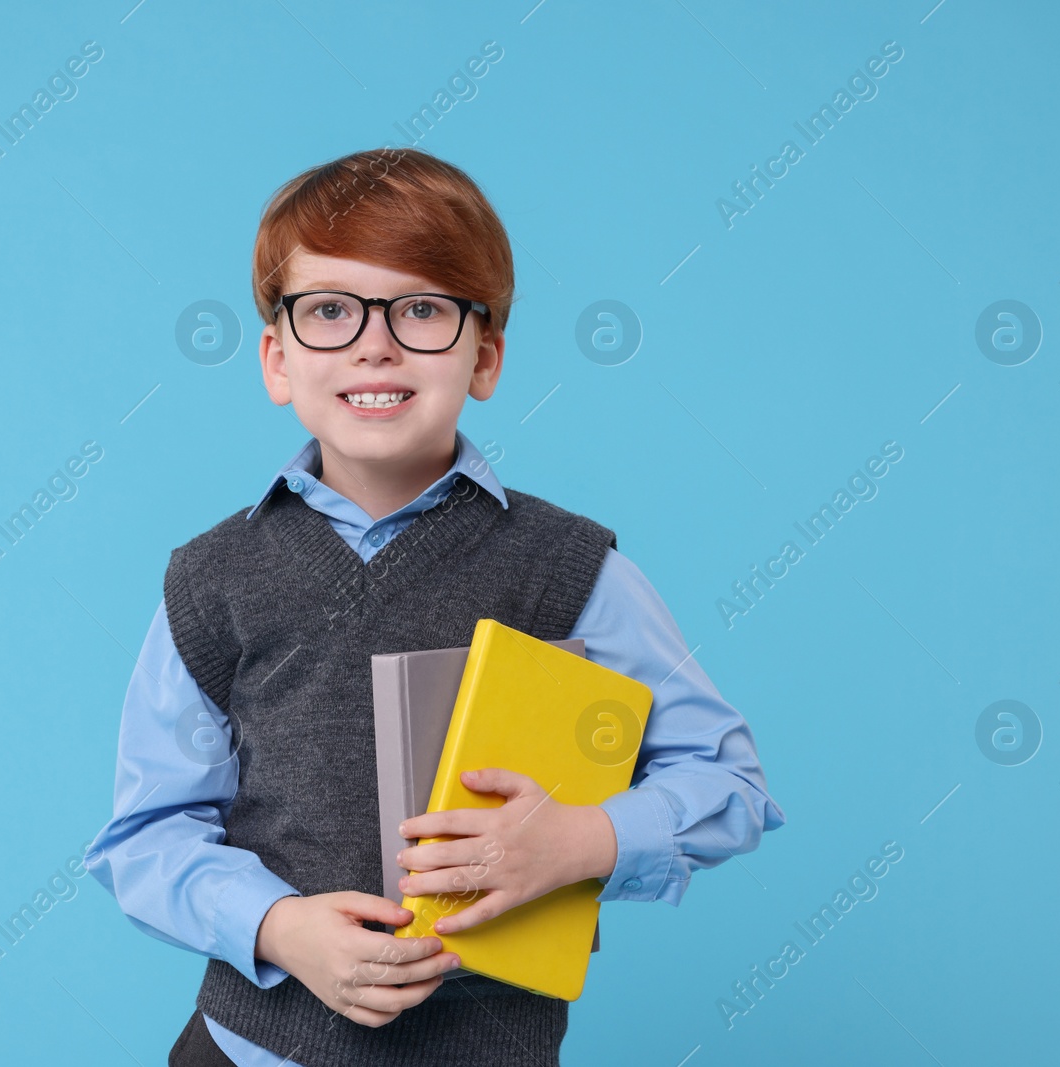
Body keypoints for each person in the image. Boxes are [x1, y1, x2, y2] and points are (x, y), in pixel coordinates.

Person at [83, 147, 786, 1067]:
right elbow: (147, 834)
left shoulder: (570, 570)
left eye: (421, 309)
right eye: (329, 310)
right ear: (277, 358)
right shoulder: (212, 578)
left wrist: (582, 838)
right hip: (248, 1051)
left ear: (484, 356)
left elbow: (730, 784)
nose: (375, 343)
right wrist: (279, 926)